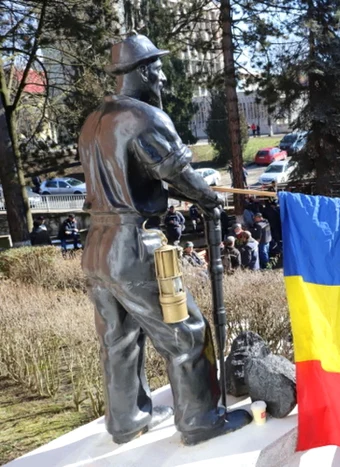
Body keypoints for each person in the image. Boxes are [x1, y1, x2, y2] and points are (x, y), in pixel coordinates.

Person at [77, 33, 251, 445]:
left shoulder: (92, 122)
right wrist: (209, 199)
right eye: (155, 68)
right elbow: (175, 171)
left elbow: (130, 177)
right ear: (139, 72)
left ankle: (127, 420)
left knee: (119, 340)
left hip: (96, 246)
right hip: (130, 244)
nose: (161, 78)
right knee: (187, 333)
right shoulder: (143, 118)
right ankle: (200, 420)